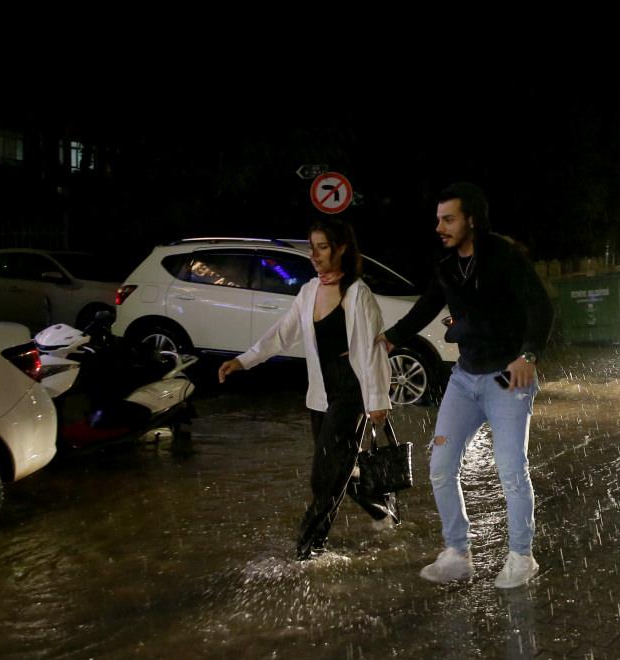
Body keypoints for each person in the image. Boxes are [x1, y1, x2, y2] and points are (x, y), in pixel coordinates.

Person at [382, 183, 554, 589]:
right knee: (440, 467)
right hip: (464, 380)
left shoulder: (504, 257)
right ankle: (457, 553)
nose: (440, 226)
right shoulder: (446, 266)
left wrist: (528, 355)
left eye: (449, 219)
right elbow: (424, 309)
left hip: (506, 380)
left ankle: (521, 557)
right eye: (438, 219)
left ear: (471, 220)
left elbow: (540, 307)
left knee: (511, 471)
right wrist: (388, 340)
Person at [218, 218, 395, 560]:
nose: (314, 254)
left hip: (351, 389)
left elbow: (372, 351)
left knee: (323, 475)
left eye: (322, 247)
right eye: (311, 246)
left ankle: (308, 549)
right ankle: (381, 509)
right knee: (339, 464)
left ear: (342, 248)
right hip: (320, 391)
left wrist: (378, 400)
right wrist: (244, 360)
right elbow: (282, 333)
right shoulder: (309, 291)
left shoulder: (358, 295)